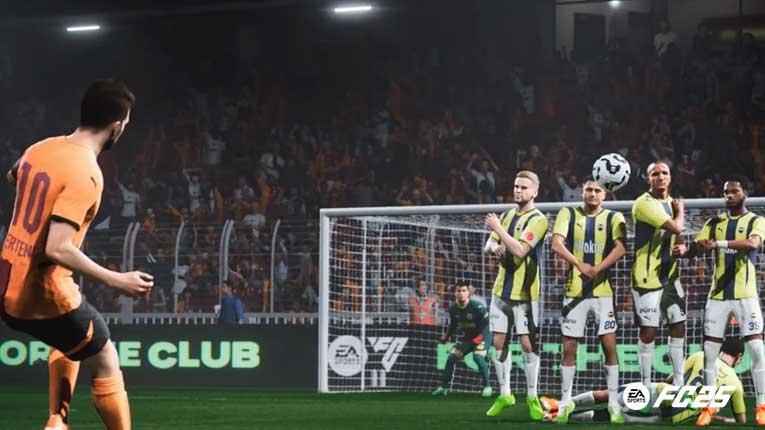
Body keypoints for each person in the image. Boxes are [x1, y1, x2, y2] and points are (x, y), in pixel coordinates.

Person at [0, 79, 153, 430]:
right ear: (117, 125)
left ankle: (57, 420)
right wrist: (117, 279)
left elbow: (13, 176)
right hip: (41, 294)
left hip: (6, 278)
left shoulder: (41, 148)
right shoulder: (86, 173)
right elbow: (57, 247)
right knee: (105, 355)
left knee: (70, 339)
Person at [673, 177, 765, 426]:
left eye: (734, 191)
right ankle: (709, 406)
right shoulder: (714, 223)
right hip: (717, 297)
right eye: (726, 192)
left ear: (745, 194)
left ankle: (761, 405)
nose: (729, 195)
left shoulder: (756, 221)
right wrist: (693, 248)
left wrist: (717, 244)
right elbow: (695, 250)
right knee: (710, 353)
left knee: (757, 350)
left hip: (746, 295)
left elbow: (753, 243)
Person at [549, 179, 627, 423]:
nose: (593, 194)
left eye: (597, 190)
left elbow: (621, 248)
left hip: (603, 292)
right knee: (569, 347)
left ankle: (613, 403)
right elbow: (556, 243)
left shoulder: (614, 217)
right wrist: (579, 264)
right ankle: (565, 402)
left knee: (609, 346)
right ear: (582, 193)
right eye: (589, 190)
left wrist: (597, 268)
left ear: (604, 195)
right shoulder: (568, 213)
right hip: (574, 291)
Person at [540, 337, 746, 425]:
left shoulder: (701, 355)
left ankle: (560, 406)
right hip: (674, 416)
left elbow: (673, 377)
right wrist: (723, 419)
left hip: (664, 394)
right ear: (739, 358)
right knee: (616, 416)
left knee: (612, 396)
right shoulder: (736, 384)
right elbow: (741, 421)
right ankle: (563, 416)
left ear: (721, 350)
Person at [483, 170, 549, 420]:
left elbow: (521, 250)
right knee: (498, 343)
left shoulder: (539, 220)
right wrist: (495, 248)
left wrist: (499, 230)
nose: (518, 190)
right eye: (516, 186)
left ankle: (532, 396)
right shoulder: (507, 215)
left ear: (535, 192)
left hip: (526, 294)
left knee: (527, 344)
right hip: (501, 291)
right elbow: (489, 244)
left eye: (523, 187)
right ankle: (505, 394)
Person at [630, 162, 686, 390]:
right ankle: (645, 385)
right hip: (647, 278)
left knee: (679, 326)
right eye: (655, 174)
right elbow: (677, 227)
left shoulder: (670, 202)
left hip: (670, 277)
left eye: (664, 173)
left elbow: (678, 236)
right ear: (648, 179)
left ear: (670, 178)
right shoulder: (644, 203)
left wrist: (681, 246)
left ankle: (679, 383)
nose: (660, 177)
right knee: (649, 331)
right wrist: (681, 211)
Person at [432, 282, 493, 397]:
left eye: (464, 291)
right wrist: (446, 336)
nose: (461, 293)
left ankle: (487, 387)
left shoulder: (477, 307)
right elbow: (453, 325)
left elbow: (488, 325)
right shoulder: (453, 308)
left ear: (468, 293)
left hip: (484, 336)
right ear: (455, 293)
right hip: (468, 338)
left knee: (477, 357)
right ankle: (443, 387)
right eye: (459, 291)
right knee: (451, 357)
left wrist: (480, 338)